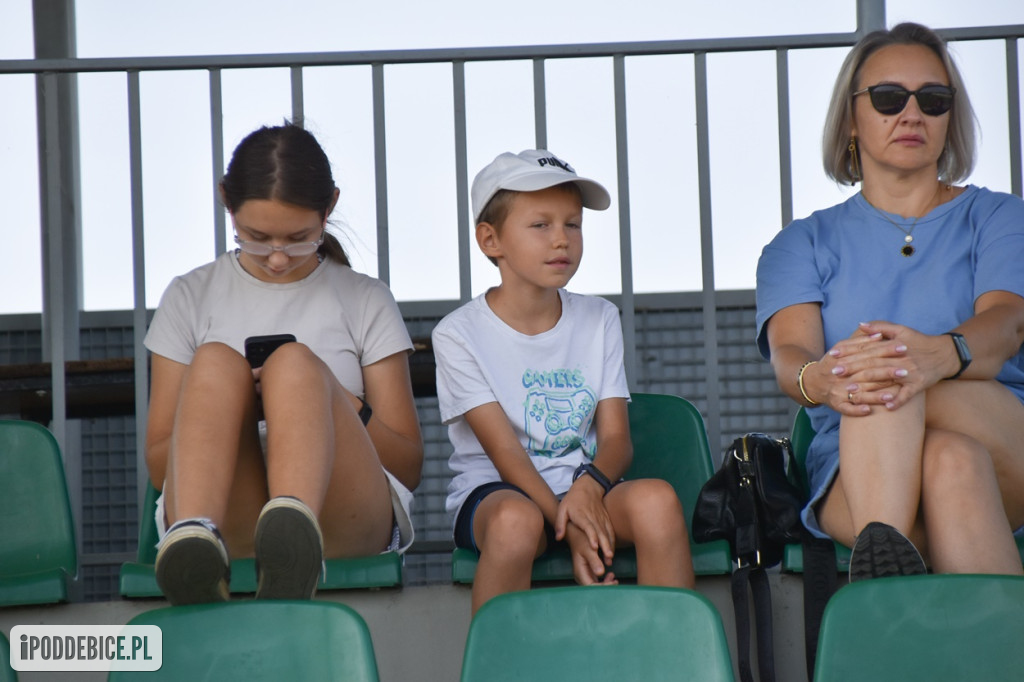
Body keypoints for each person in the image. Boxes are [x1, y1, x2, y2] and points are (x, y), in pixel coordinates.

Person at [755, 23, 1024, 582]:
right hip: (857, 461)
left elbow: (1006, 323)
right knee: (948, 462)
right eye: (887, 98)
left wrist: (940, 356)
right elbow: (791, 355)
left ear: (950, 118)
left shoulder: (1000, 217)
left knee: (880, 364)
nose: (912, 114)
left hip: (1002, 437)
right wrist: (821, 378)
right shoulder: (799, 243)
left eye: (933, 99)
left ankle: (884, 602)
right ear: (851, 116)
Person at [144, 124, 422, 605]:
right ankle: (195, 544)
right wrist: (237, 408)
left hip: (343, 516)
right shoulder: (189, 296)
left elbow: (408, 464)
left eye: (298, 239)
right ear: (226, 202)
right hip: (229, 509)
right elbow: (156, 468)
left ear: (329, 208)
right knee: (214, 363)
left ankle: (295, 541)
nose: (276, 259)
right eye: (256, 238)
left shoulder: (365, 299)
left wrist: (327, 396)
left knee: (293, 365)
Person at [433, 149, 695, 614]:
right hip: (501, 495)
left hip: (587, 488)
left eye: (572, 224)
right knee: (516, 524)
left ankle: (672, 655)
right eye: (541, 225)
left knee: (657, 501)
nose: (562, 241)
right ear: (490, 240)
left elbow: (617, 440)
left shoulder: (599, 317)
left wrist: (588, 491)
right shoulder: (458, 334)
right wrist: (569, 524)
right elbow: (506, 455)